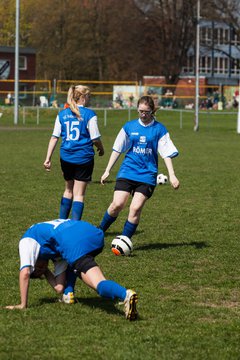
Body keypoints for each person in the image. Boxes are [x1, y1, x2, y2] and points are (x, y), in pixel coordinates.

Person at [5, 219, 138, 320]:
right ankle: (69, 295)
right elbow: (59, 288)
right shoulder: (55, 251)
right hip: (93, 234)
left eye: (38, 267)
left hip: (74, 240)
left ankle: (125, 294)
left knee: (97, 283)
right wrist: (45, 271)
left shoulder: (27, 240)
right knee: (75, 267)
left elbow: (25, 273)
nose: (41, 268)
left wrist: (23, 304)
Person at [99, 95, 180, 240]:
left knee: (135, 208)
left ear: (152, 111)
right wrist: (107, 170)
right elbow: (118, 149)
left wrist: (172, 174)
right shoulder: (129, 126)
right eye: (140, 111)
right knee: (117, 205)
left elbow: (166, 153)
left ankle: (124, 240)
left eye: (146, 112)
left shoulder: (159, 129)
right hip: (127, 171)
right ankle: (99, 232)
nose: (143, 114)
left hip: (147, 175)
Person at [44, 85, 104, 221]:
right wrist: (102, 148)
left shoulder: (62, 114)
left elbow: (54, 137)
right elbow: (95, 138)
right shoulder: (90, 114)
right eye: (89, 96)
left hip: (66, 157)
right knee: (79, 195)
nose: (89, 99)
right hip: (83, 158)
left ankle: (60, 223)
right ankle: (74, 228)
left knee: (68, 190)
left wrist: (48, 158)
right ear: (83, 97)